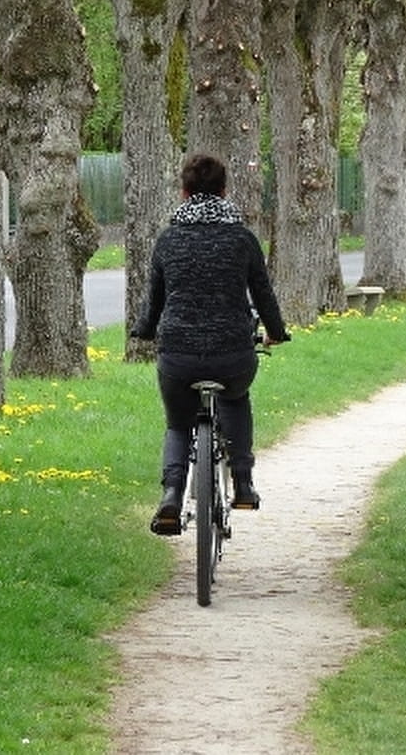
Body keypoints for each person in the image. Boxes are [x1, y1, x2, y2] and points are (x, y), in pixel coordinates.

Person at [129, 154, 290, 536]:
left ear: (184, 194)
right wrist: (277, 332)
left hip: (179, 356)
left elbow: (155, 299)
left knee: (178, 424)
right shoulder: (242, 239)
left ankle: (171, 494)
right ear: (224, 190)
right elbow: (263, 296)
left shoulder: (169, 239)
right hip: (233, 351)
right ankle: (244, 482)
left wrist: (145, 330)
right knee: (236, 397)